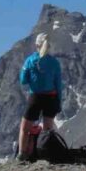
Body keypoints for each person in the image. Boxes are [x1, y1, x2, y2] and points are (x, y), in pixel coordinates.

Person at [17, 33, 63, 162]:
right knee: (48, 129)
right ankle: (47, 155)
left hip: (35, 97)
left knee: (25, 128)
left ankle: (22, 154)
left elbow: (23, 80)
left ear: (37, 45)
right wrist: (59, 101)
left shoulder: (30, 60)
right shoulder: (54, 62)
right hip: (51, 97)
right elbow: (58, 84)